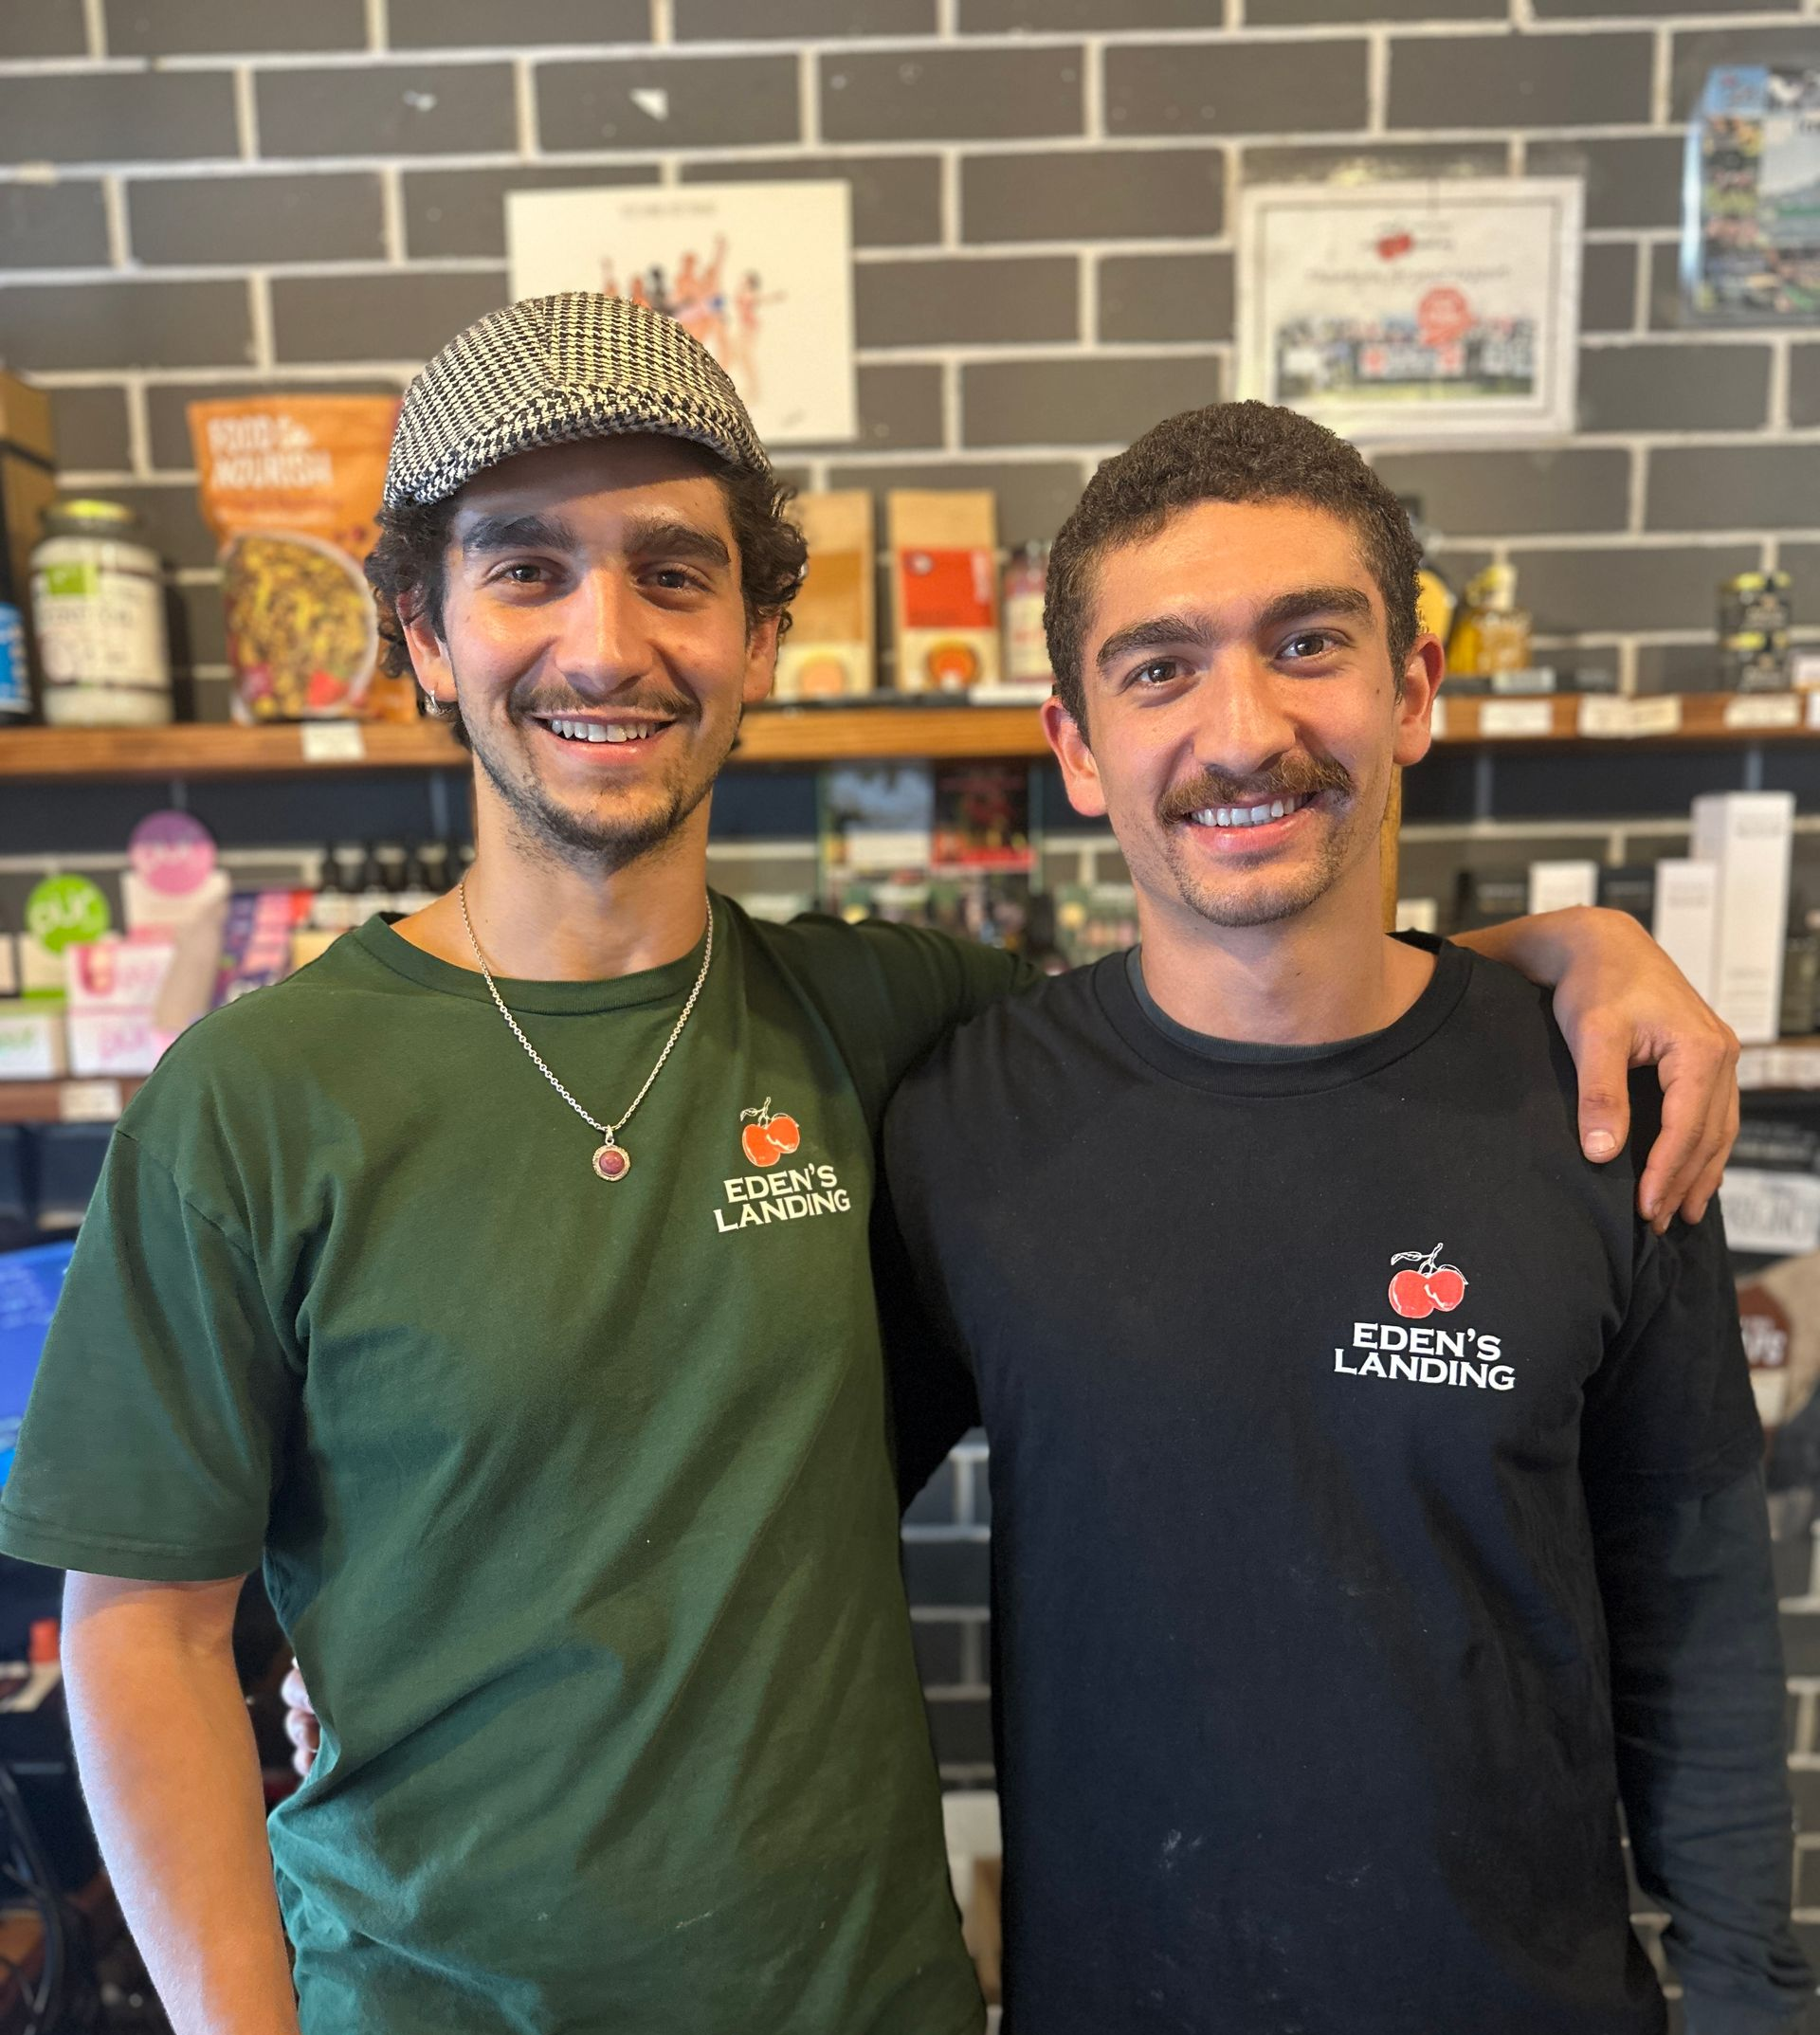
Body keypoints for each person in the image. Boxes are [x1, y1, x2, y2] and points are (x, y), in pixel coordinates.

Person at [0, 298, 1736, 2035]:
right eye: (526, 570)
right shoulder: (250, 1100)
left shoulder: (887, 1019)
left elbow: (1249, 992)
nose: (605, 642)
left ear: (761, 632)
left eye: (673, 574)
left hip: (868, 1998)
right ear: (424, 635)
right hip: (436, 2002)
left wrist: (1554, 958)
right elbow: (141, 1635)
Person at [881, 401, 1807, 2034]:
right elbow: (773, 1513)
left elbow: (1696, 1593)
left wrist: (1745, 1996)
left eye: (1308, 642)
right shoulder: (967, 1124)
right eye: (1160, 667)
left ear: (1416, 690)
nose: (1242, 730)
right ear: (1078, 746)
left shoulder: (1601, 1097)